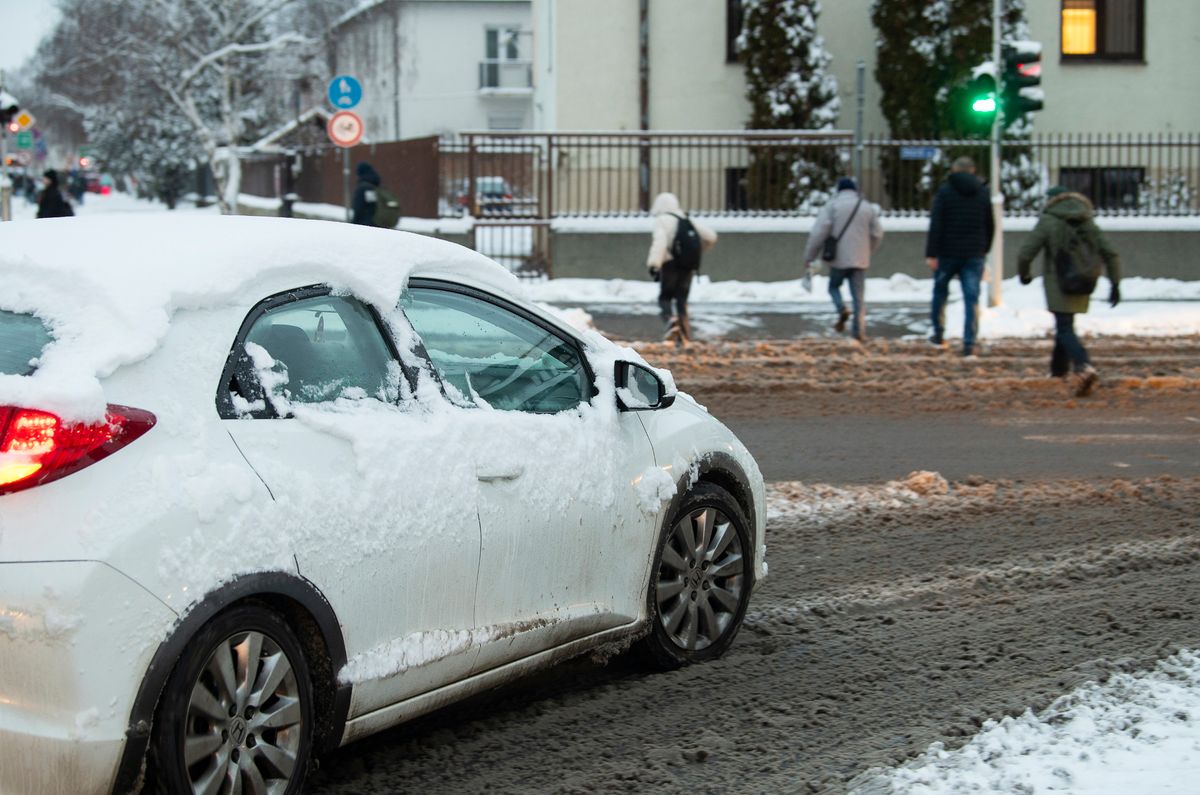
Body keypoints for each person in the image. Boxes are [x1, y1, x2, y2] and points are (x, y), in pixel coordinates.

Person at [1016, 186, 1121, 397]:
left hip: (1059, 282)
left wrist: (1024, 274)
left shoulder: (1048, 220)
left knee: (1064, 327)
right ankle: (1058, 371)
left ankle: (1083, 365)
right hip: (1084, 280)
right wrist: (1115, 284)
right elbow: (1110, 253)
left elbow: (1025, 253)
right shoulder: (1087, 221)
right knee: (1065, 324)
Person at [925, 156, 994, 357]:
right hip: (973, 253)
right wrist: (984, 249)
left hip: (947, 252)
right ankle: (969, 343)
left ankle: (939, 334)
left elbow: (936, 223)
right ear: (973, 170)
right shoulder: (983, 192)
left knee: (940, 293)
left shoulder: (945, 192)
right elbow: (990, 224)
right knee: (971, 298)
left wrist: (931, 253)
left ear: (954, 170)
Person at [803, 177, 884, 342]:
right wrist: (867, 250)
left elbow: (819, 232)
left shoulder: (832, 206)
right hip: (860, 259)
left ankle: (841, 308)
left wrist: (809, 257)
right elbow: (877, 233)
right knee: (858, 297)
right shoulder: (866, 207)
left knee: (833, 287)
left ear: (839, 190)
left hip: (838, 259)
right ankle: (859, 332)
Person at [646, 192, 717, 346]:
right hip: (688, 265)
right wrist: (694, 251)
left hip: (670, 265)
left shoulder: (662, 220)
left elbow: (660, 242)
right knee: (681, 300)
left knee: (665, 297)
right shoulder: (685, 218)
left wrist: (654, 264)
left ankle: (671, 323)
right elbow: (710, 237)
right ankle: (685, 337)